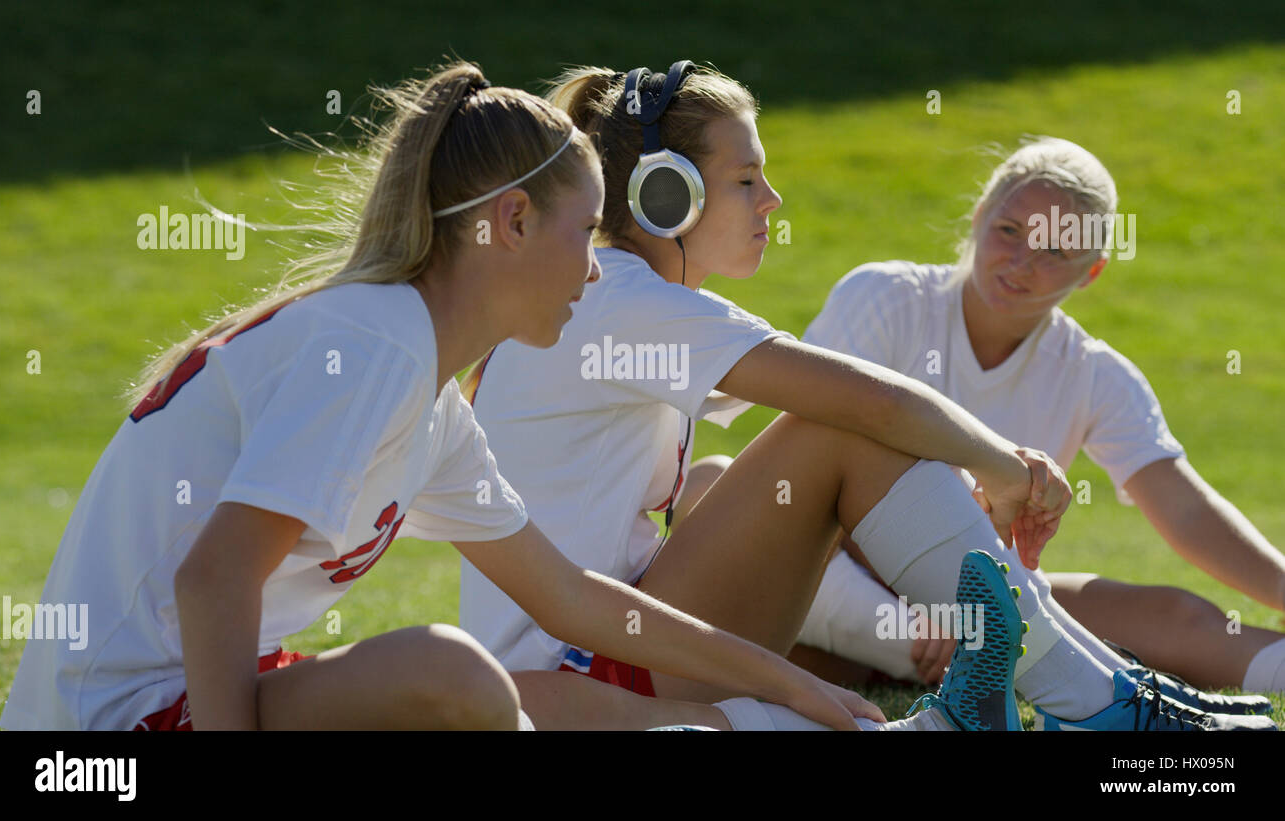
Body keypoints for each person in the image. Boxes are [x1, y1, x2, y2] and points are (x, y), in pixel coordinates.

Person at [0, 63, 891, 732]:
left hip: (188, 698)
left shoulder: (425, 395)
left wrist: (782, 682)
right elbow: (214, 576)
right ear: (509, 223)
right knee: (451, 675)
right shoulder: (378, 343)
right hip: (95, 747)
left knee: (534, 700)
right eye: (584, 233)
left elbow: (571, 597)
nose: (594, 266)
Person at [460, 63, 1274, 730]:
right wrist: (1006, 468)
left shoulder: (627, 293)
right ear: (666, 195)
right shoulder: (627, 298)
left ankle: (1106, 694)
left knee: (745, 465)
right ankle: (1101, 704)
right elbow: (869, 408)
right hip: (579, 677)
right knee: (835, 427)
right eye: (747, 179)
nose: (771, 201)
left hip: (612, 646)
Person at [795, 136, 1285, 713]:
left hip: (992, 600)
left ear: (1093, 269)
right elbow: (804, 463)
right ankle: (962, 652)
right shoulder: (886, 298)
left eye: (1057, 250)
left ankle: (980, 649)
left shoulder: (1093, 372)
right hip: (839, 579)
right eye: (1009, 231)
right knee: (717, 487)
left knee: (1170, 615)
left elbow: (1184, 508)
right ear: (979, 217)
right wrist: (920, 605)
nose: (1023, 262)